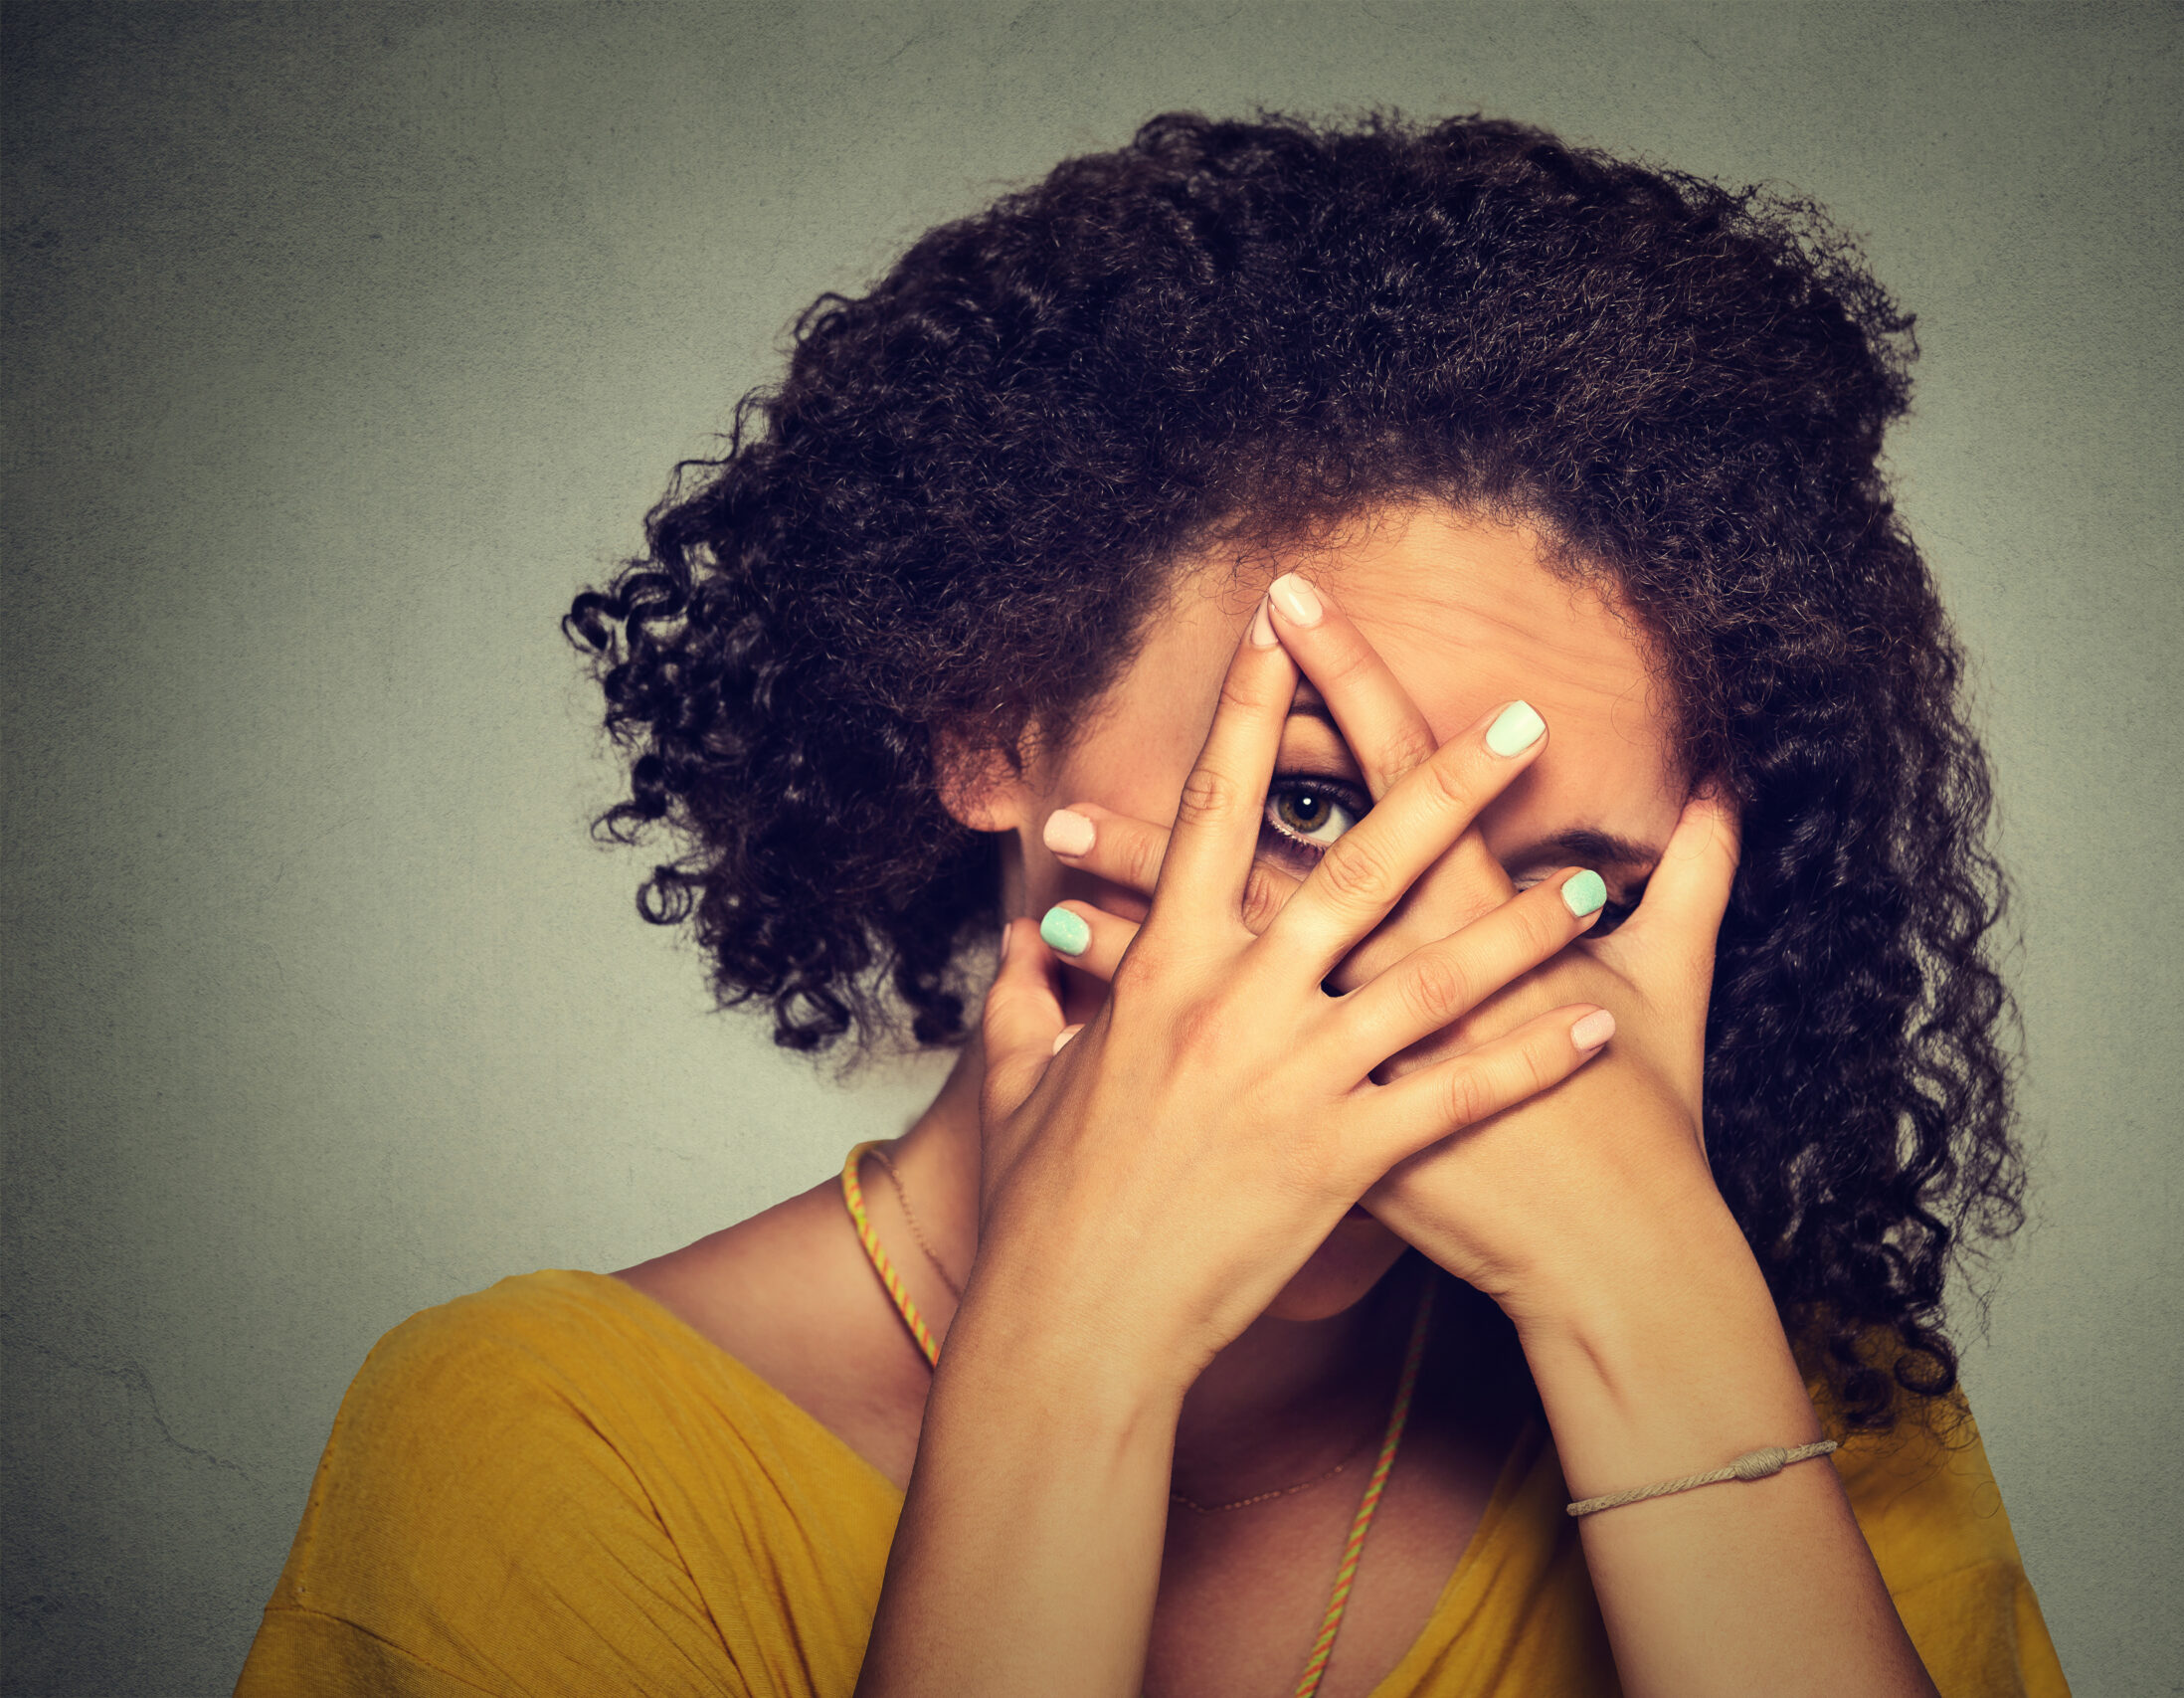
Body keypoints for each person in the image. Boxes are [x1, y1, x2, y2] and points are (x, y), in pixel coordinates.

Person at [237, 111, 2064, 1697]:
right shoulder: (550, 1449)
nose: (1415, 978)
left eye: (1566, 889)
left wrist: (1659, 1336)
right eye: (1316, 807)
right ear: (992, 724)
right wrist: (1068, 1367)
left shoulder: (1796, 1395)